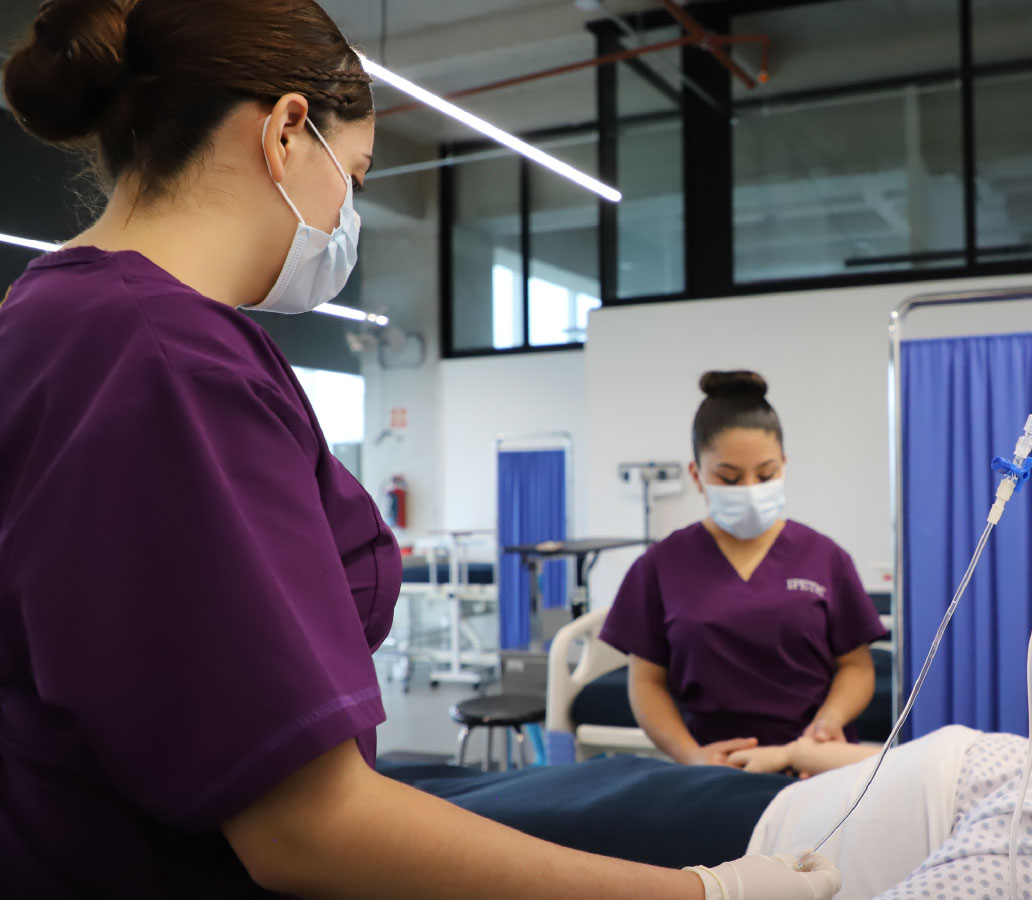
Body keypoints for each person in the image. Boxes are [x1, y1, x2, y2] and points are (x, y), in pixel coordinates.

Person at [0, 3, 838, 898]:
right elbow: (309, 826)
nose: (347, 212)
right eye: (352, 176)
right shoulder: (168, 359)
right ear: (287, 131)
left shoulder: (43, 322)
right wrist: (705, 894)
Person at [396, 615, 1032, 899]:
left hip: (726, 845)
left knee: (441, 823)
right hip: (748, 792)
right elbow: (944, 772)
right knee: (458, 785)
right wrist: (802, 752)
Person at [600, 371, 889, 766]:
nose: (750, 490)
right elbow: (646, 683)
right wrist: (691, 756)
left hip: (811, 764)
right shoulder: (660, 566)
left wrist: (827, 725)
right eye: (729, 478)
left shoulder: (824, 557)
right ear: (696, 475)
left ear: (784, 466)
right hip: (712, 771)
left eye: (766, 475)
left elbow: (856, 667)